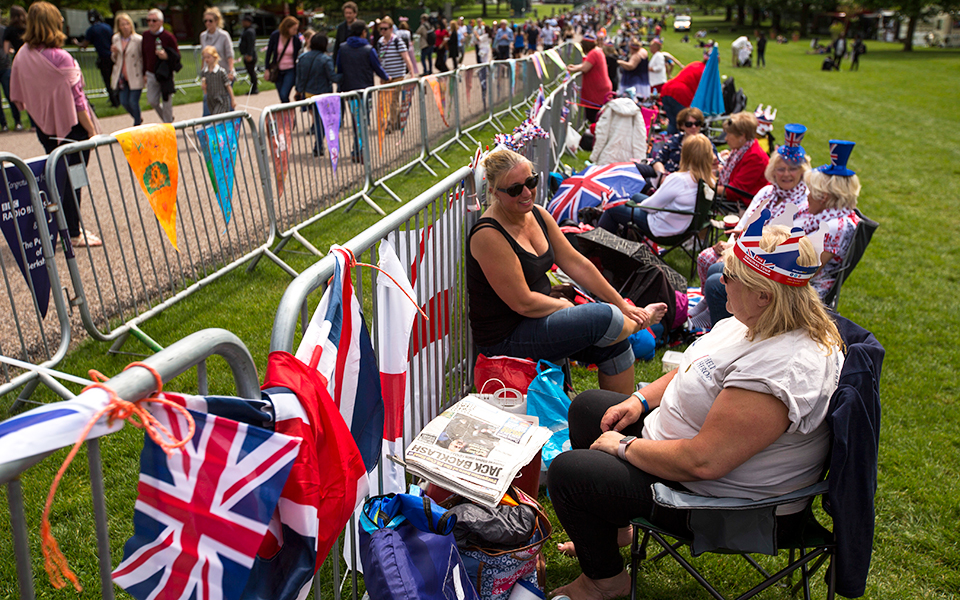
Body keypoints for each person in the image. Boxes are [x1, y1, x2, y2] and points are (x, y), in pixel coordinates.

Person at [548, 220, 844, 600]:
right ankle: (615, 531)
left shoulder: (782, 370)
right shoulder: (754, 322)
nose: (722, 282)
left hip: (723, 502)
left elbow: (704, 461)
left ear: (765, 296)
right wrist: (639, 401)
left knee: (572, 473)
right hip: (690, 465)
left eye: (733, 276)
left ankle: (604, 582)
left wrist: (622, 447)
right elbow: (695, 368)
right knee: (590, 408)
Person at [467, 149, 667, 395]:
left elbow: (577, 263)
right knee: (602, 317)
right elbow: (523, 303)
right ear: (494, 192)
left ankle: (620, 422)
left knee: (615, 345)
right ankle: (639, 324)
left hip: (539, 318)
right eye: (515, 189)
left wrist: (623, 305)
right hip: (507, 337)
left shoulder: (538, 214)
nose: (527, 193)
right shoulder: (489, 234)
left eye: (531, 182)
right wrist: (565, 309)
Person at [10, 1, 101, 248]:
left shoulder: (22, 56)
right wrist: (92, 132)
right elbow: (78, 99)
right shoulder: (60, 57)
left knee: (59, 177)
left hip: (44, 125)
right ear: (53, 23)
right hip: (73, 127)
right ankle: (73, 232)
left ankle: (68, 226)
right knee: (74, 178)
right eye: (59, 17)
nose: (62, 20)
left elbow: (18, 93)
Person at [697, 123, 810, 287]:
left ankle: (721, 309)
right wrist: (731, 246)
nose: (786, 174)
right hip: (743, 246)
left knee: (718, 272)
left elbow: (783, 245)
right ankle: (707, 304)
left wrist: (737, 250)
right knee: (705, 257)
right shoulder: (767, 192)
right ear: (773, 170)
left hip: (769, 263)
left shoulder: (804, 203)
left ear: (802, 171)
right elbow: (744, 222)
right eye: (781, 169)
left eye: (792, 169)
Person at [598, 134, 714, 239]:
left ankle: (597, 248)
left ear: (685, 155)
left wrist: (638, 206)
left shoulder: (680, 179)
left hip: (662, 227)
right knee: (636, 196)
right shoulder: (708, 181)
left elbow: (651, 206)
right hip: (681, 225)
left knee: (612, 209)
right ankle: (629, 241)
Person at [337, 20, 388, 161]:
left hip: (349, 89)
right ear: (364, 32)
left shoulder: (343, 48)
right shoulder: (368, 49)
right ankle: (359, 150)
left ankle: (358, 149)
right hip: (364, 89)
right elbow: (377, 67)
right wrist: (386, 77)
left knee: (356, 120)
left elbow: (339, 68)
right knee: (362, 120)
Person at [296, 34, 341, 157]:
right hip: (322, 94)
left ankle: (318, 145)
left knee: (316, 119)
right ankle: (319, 145)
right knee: (324, 120)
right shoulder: (325, 59)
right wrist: (344, 75)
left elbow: (299, 77)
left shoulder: (302, 58)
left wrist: (299, 90)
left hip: (308, 93)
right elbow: (333, 77)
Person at [717, 111, 770, 204]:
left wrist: (708, 187)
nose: (726, 139)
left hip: (748, 205)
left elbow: (733, 192)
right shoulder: (742, 149)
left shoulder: (755, 157)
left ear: (742, 136)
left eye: (729, 134)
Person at [70, 10, 119, 108]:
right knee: (115, 79)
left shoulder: (92, 30)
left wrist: (76, 43)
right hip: (112, 57)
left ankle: (114, 102)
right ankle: (117, 98)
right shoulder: (107, 27)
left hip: (103, 58)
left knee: (107, 80)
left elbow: (85, 44)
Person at [141, 8, 178, 123]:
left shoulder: (168, 37)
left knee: (167, 102)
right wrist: (144, 73)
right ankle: (168, 120)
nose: (151, 23)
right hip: (151, 73)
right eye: (149, 20)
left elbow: (177, 56)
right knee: (152, 101)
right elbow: (143, 55)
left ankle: (168, 126)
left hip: (165, 74)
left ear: (161, 22)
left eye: (154, 20)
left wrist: (166, 56)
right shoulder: (146, 36)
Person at [566, 34, 612, 124]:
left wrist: (573, 69)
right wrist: (575, 67)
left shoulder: (593, 53)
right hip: (601, 87)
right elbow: (587, 64)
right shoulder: (598, 51)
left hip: (597, 90)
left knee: (594, 116)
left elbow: (585, 68)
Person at [109, 13, 144, 127]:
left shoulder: (138, 39)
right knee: (124, 102)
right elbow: (114, 59)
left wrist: (144, 73)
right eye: (122, 24)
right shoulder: (116, 38)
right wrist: (114, 52)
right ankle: (137, 116)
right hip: (122, 76)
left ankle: (137, 124)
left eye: (127, 23)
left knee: (133, 102)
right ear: (118, 26)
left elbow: (142, 57)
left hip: (135, 73)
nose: (125, 27)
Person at [199, 8, 234, 116]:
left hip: (222, 72)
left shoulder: (224, 36)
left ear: (216, 21)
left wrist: (231, 70)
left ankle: (231, 124)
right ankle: (207, 126)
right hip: (209, 73)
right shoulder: (203, 36)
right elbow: (203, 55)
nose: (207, 23)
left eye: (210, 20)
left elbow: (229, 55)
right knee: (208, 100)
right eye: (205, 21)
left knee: (225, 100)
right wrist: (202, 72)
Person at [659, 52, 705, 134]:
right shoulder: (705, 72)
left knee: (673, 122)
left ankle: (670, 141)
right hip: (680, 94)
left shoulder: (695, 64)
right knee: (684, 123)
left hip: (667, 89)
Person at [265, 16, 301, 103]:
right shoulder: (275, 36)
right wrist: (267, 69)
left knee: (284, 93)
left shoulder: (295, 39)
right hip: (278, 69)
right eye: (294, 29)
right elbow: (269, 53)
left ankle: (289, 115)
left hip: (290, 69)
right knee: (282, 96)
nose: (295, 31)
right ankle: (288, 115)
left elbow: (298, 55)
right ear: (287, 27)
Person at [200, 47, 235, 115]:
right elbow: (205, 88)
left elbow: (228, 86)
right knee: (215, 119)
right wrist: (204, 87)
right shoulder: (204, 72)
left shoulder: (221, 71)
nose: (206, 59)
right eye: (205, 57)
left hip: (222, 100)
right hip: (211, 99)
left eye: (208, 57)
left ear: (215, 57)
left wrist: (232, 100)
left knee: (217, 117)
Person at [332, 1, 358, 67]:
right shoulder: (341, 27)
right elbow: (337, 45)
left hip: (357, 61)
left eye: (350, 13)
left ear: (355, 14)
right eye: (346, 13)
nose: (348, 15)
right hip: (344, 61)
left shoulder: (361, 26)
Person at [239, 14, 258, 95]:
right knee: (250, 72)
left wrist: (249, 54)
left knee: (252, 72)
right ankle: (253, 87)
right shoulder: (246, 31)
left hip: (250, 54)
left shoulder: (250, 32)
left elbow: (251, 44)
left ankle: (254, 88)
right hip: (246, 53)